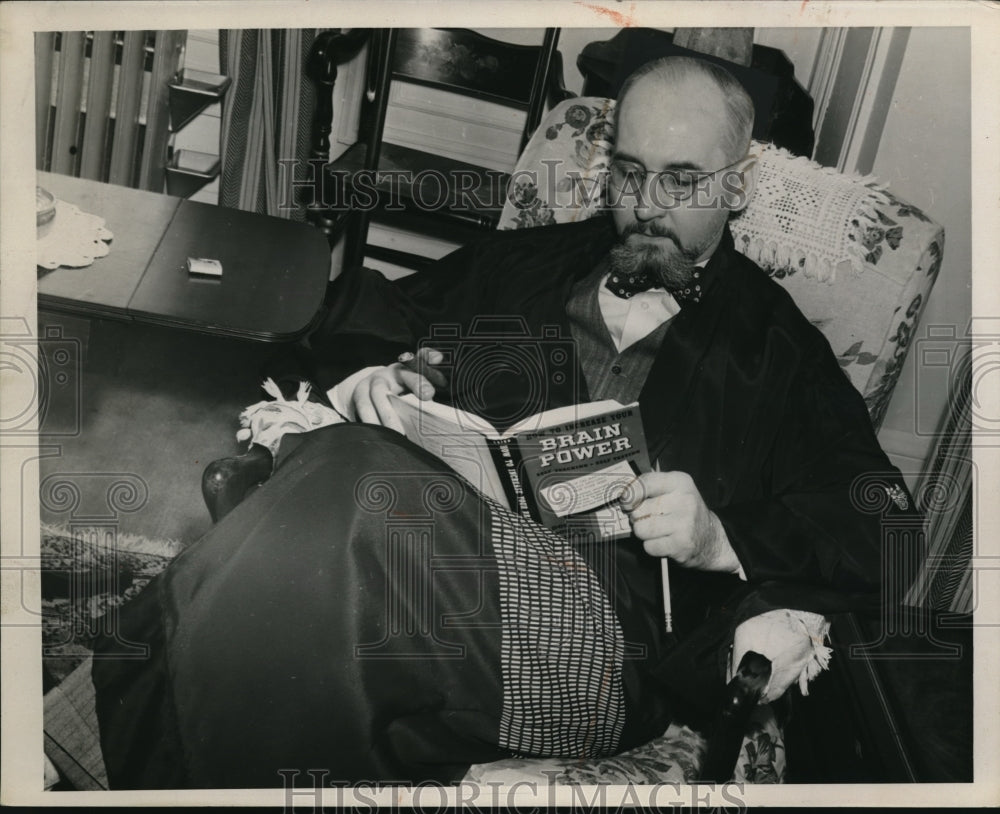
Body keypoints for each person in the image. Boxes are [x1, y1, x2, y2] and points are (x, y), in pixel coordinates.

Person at [92, 56, 918, 789]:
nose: (645, 206)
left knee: (348, 492)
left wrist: (718, 538)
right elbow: (377, 311)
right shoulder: (536, 262)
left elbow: (885, 527)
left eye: (681, 180)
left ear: (735, 185)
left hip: (604, 637)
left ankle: (115, 711)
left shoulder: (777, 352)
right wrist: (387, 374)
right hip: (424, 556)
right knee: (327, 543)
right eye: (629, 174)